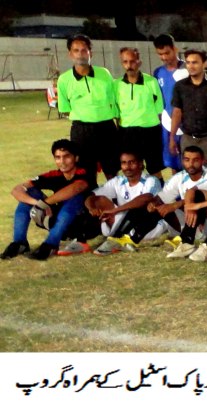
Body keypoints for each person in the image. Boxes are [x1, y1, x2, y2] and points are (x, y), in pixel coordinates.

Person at [2, 140, 93, 260]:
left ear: (76, 158)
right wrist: (38, 204)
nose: (62, 162)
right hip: (60, 223)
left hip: (86, 225)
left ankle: (51, 244)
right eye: (58, 157)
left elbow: (75, 188)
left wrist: (45, 203)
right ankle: (19, 242)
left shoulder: (84, 173)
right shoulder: (54, 175)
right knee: (30, 193)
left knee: (75, 198)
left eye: (66, 157)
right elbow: (16, 190)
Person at [57, 34, 119, 180]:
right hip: (82, 132)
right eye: (76, 50)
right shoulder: (64, 80)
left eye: (84, 50)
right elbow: (65, 108)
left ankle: (115, 195)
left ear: (91, 52)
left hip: (107, 129)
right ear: (70, 54)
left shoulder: (104, 74)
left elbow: (114, 100)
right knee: (86, 175)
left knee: (112, 173)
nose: (80, 54)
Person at [84, 150, 164, 255]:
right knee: (99, 200)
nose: (127, 167)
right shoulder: (118, 181)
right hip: (124, 222)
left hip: (148, 225)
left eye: (132, 162)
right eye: (124, 163)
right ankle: (90, 237)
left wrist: (115, 210)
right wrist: (92, 208)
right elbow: (91, 197)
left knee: (140, 208)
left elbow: (146, 198)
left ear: (140, 164)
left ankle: (117, 240)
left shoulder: (151, 180)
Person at [154, 146, 207, 258]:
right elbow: (161, 197)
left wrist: (180, 204)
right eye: (187, 160)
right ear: (182, 161)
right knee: (161, 207)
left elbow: (201, 196)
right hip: (192, 223)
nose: (191, 164)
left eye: (195, 160)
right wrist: (154, 203)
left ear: (203, 161)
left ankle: (187, 241)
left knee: (197, 196)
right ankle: (133, 238)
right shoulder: (180, 177)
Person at [114, 47, 165, 178]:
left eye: (132, 61)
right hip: (127, 133)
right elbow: (116, 111)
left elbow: (159, 109)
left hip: (150, 132)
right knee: (131, 169)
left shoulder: (151, 82)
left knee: (154, 169)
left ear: (139, 62)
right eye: (125, 62)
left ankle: (158, 190)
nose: (129, 65)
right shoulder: (116, 84)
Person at [168, 49, 207, 168]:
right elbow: (177, 112)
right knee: (189, 172)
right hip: (188, 138)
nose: (191, 66)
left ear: (204, 63)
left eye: (195, 62)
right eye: (188, 62)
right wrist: (172, 137)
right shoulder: (180, 86)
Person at [153, 34, 188, 173]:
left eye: (167, 53)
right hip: (167, 125)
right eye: (160, 54)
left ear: (175, 49)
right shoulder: (158, 73)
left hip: (187, 126)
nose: (164, 57)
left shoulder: (187, 69)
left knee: (189, 164)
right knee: (174, 165)